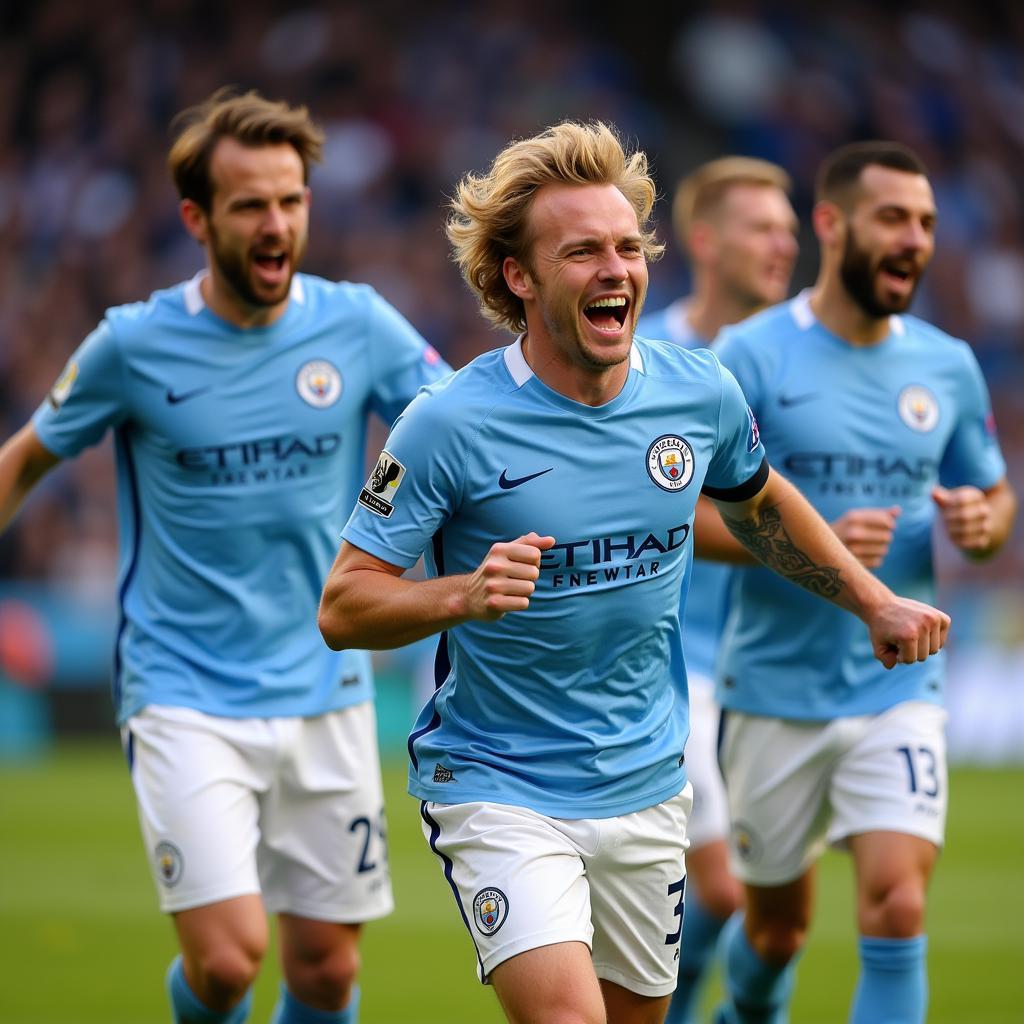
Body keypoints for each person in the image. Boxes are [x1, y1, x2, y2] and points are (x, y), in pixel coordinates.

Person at [316, 121, 950, 1024]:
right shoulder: (447, 423)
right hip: (499, 786)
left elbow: (761, 502)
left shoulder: (699, 393)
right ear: (519, 277)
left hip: (649, 785)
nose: (616, 269)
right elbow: (344, 605)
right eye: (582, 251)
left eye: (627, 246)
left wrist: (874, 601)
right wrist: (461, 594)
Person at [0, 88, 451, 1024]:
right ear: (198, 219)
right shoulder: (132, 344)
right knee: (230, 963)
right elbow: (27, 459)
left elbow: (462, 429)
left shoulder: (358, 324)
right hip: (183, 692)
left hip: (326, 688)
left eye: (292, 201)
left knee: (325, 974)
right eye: (251, 204)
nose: (277, 222)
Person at [709, 141, 1017, 1024]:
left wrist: (982, 524)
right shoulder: (750, 355)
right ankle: (744, 1012)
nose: (915, 239)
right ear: (833, 224)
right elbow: (684, 517)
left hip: (901, 685)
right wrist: (815, 546)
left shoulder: (947, 365)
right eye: (893, 218)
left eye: (924, 222)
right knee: (775, 932)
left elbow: (993, 497)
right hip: (772, 691)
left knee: (899, 904)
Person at [636, 157, 798, 1024]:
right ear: (705, 241)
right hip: (678, 667)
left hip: (774, 676)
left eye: (790, 233)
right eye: (763, 229)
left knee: (774, 916)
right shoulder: (641, 355)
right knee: (730, 893)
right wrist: (803, 548)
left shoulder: (800, 364)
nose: (784, 247)